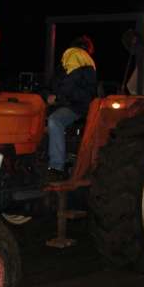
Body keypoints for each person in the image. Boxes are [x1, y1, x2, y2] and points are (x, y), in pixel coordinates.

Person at [46, 35, 98, 180]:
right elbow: (56, 83)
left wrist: (56, 97)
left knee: (55, 120)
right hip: (73, 102)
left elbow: (69, 84)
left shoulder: (75, 55)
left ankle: (56, 167)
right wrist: (48, 95)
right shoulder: (85, 60)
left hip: (76, 105)